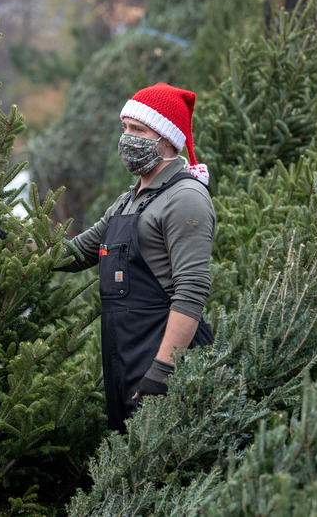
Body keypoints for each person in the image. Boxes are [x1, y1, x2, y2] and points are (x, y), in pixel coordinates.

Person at [59, 83, 215, 433]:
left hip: (160, 356)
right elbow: (76, 253)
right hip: (123, 354)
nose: (128, 138)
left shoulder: (185, 197)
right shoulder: (127, 201)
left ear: (167, 140)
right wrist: (7, 240)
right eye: (125, 128)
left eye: (139, 130)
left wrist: (163, 370)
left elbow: (191, 290)